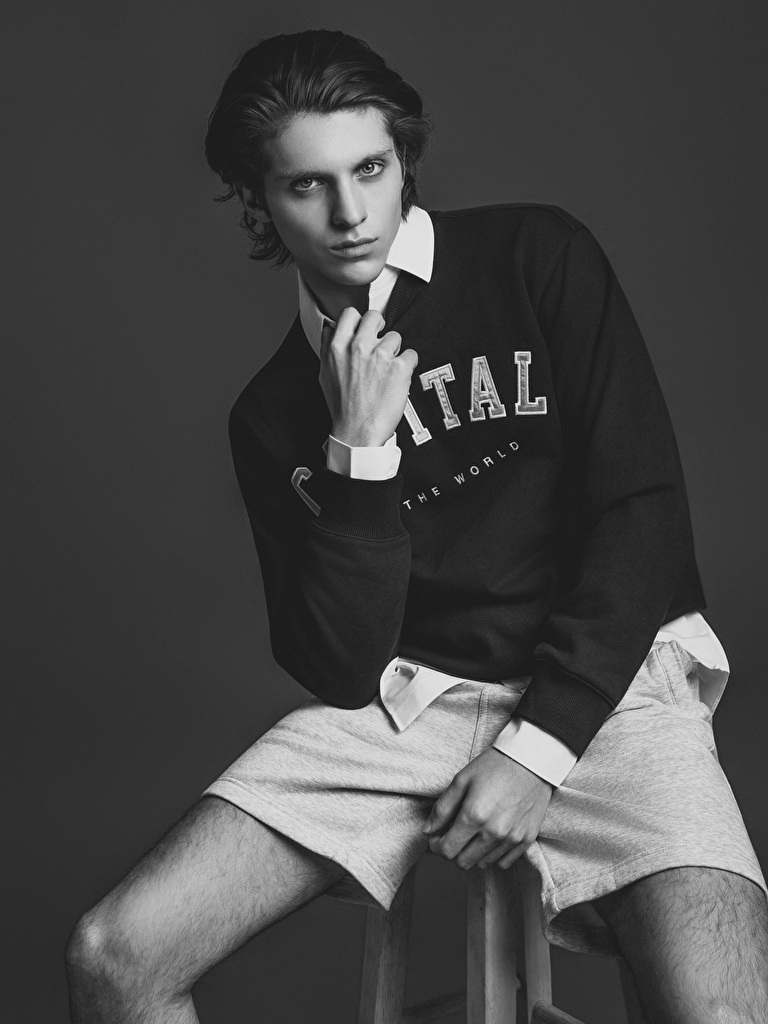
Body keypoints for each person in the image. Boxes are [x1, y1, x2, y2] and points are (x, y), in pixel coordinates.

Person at [65, 29, 768, 1023]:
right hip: (408, 707)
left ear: (404, 159)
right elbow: (340, 666)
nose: (351, 213)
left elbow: (641, 513)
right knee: (114, 956)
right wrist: (359, 455)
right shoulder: (271, 415)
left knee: (721, 1015)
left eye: (371, 169)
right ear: (257, 201)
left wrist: (538, 748)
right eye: (307, 185)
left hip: (613, 689)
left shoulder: (537, 258)